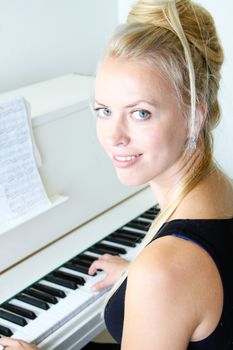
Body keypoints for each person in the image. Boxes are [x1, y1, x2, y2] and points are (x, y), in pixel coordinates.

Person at [1, 0, 233, 349]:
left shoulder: (164, 271)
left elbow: (174, 277)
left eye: (140, 113)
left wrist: (149, 283)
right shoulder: (216, 186)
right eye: (104, 110)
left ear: (195, 117)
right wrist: (133, 278)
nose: (113, 136)